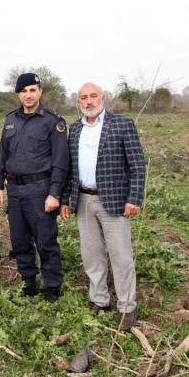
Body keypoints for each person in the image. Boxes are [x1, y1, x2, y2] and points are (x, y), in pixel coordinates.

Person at [60, 83, 147, 330]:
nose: (89, 102)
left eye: (93, 97)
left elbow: (138, 165)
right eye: (83, 98)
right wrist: (66, 198)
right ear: (79, 102)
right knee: (92, 255)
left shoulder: (123, 124)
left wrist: (134, 199)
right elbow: (70, 168)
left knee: (121, 255)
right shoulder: (75, 128)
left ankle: (127, 306)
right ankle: (99, 299)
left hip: (115, 201)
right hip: (83, 200)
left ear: (103, 98)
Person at [0, 73, 70, 302]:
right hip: (14, 190)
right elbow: (2, 155)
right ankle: (29, 281)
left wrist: (54, 193)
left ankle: (52, 286)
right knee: (19, 239)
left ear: (40, 92)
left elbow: (60, 162)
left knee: (45, 240)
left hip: (40, 189)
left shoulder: (52, 121)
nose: (28, 95)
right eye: (24, 91)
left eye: (32, 90)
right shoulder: (10, 120)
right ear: (18, 93)